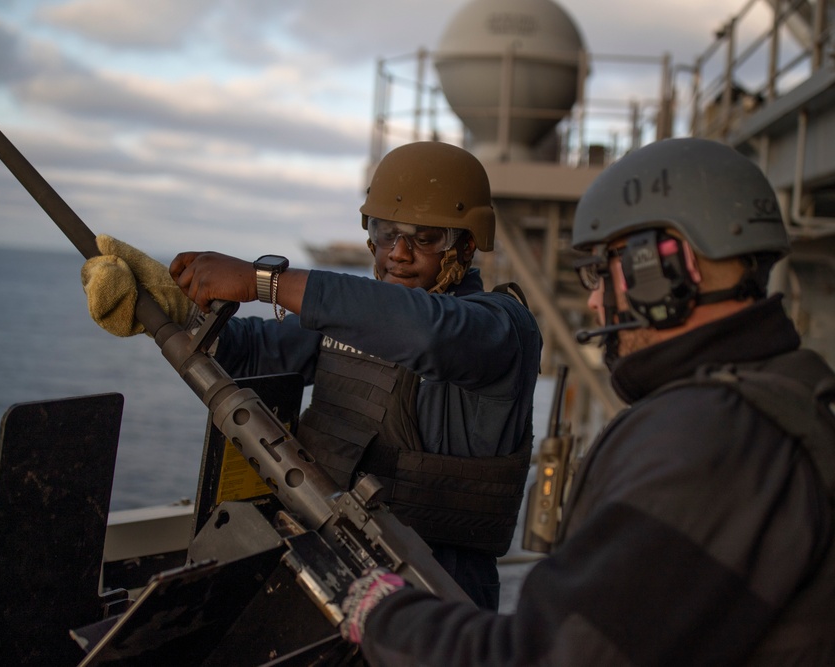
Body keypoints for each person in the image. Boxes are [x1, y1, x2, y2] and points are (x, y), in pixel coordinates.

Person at [335, 136, 835, 665]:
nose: (594, 300)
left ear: (666, 265)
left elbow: (550, 656)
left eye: (603, 271)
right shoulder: (782, 398)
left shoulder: (707, 439)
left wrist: (385, 614)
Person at [80, 140, 543, 610]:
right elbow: (251, 348)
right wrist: (175, 310)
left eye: (425, 239)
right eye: (386, 234)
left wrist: (266, 282)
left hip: (438, 598)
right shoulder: (356, 317)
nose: (399, 254)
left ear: (464, 245)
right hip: (330, 570)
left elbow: (428, 333)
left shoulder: (501, 329)